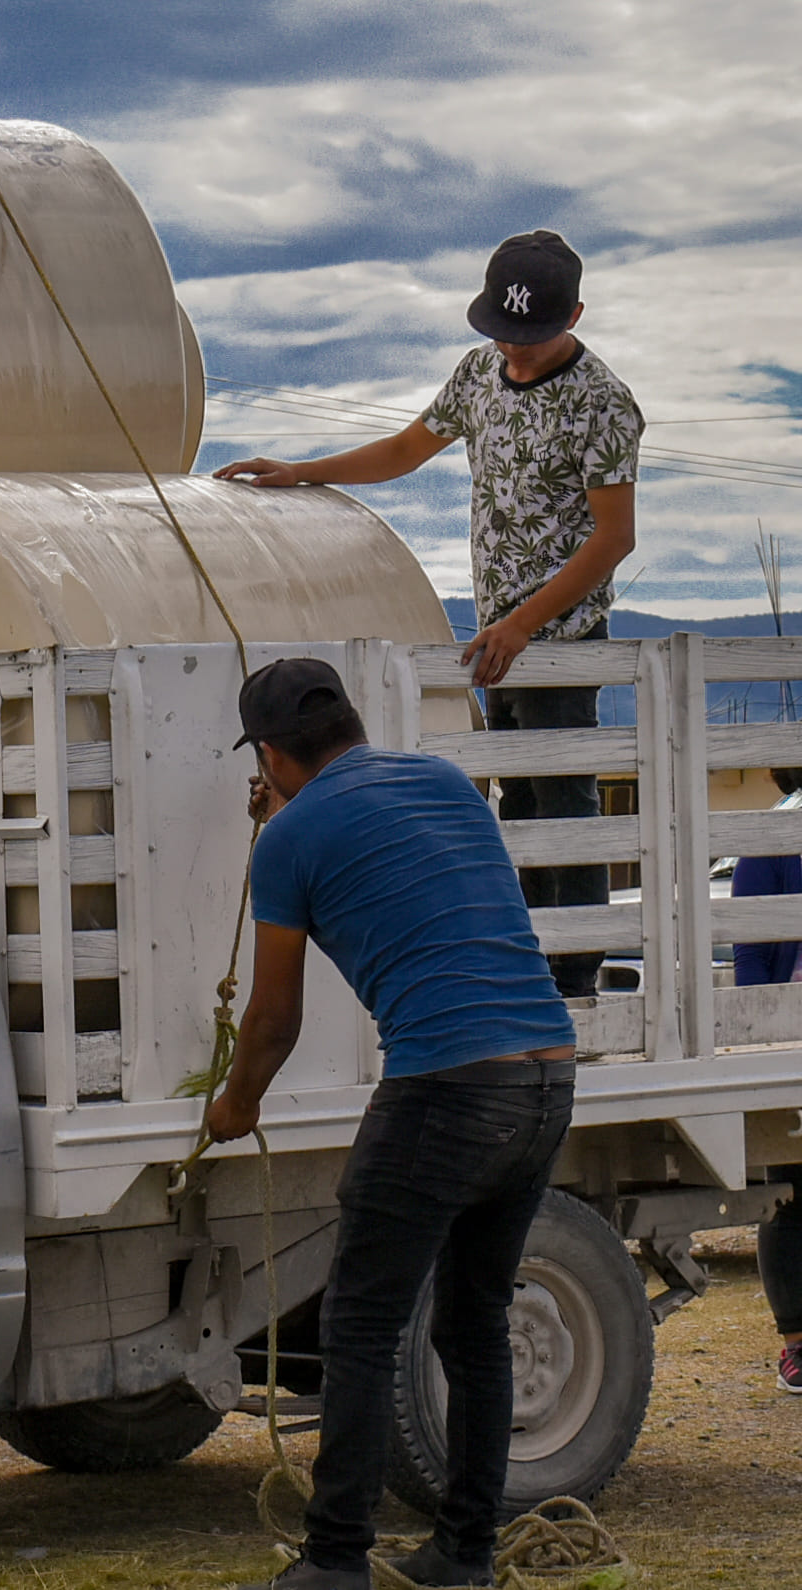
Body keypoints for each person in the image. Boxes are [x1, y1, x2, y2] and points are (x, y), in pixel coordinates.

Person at [210, 658, 577, 1590]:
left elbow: (274, 1019)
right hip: (546, 1071)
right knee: (476, 1322)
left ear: (272, 754)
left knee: (362, 1325)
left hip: (447, 1083)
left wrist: (236, 1102)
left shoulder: (287, 841)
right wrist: (286, 818)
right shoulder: (446, 780)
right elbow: (401, 864)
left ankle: (336, 1560)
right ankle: (466, 1552)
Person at [214, 230, 644, 1001]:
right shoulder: (479, 373)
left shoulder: (603, 404)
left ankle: (574, 969)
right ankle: (535, 957)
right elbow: (407, 450)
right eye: (502, 334)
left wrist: (525, 624)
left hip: (561, 634)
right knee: (515, 792)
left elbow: (614, 536)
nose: (513, 351)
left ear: (574, 314)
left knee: (564, 794)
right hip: (495, 634)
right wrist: (300, 473)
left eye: (531, 337)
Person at [728, 766, 802, 1392]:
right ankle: (797, 1346)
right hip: (791, 1039)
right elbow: (749, 954)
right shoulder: (773, 836)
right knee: (791, 1194)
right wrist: (763, 1043)